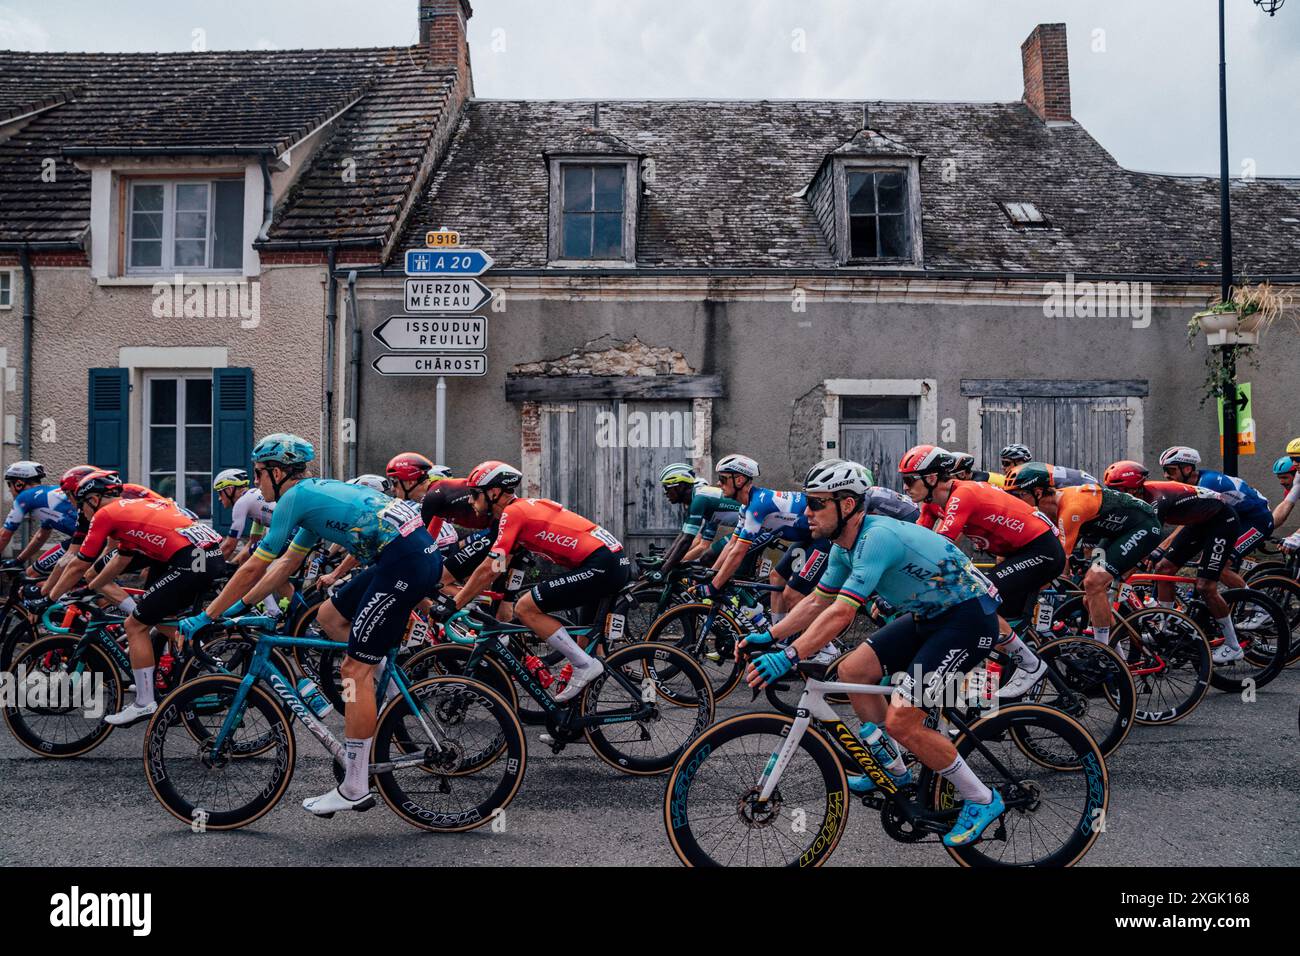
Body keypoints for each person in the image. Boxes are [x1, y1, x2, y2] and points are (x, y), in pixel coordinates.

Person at [740, 459, 1007, 848]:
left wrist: (790, 656)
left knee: (903, 720)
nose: (806, 512)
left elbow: (843, 613)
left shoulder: (876, 536)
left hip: (968, 619)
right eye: (807, 503)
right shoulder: (842, 547)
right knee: (853, 670)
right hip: (929, 615)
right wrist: (770, 636)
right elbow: (818, 601)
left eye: (816, 504)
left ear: (846, 505)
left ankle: (982, 798)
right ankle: (895, 769)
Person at [180, 433, 443, 817]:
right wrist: (239, 606)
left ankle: (354, 786)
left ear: (278, 471)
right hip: (407, 556)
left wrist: (209, 616)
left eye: (258, 473)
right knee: (329, 617)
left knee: (354, 671)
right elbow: (283, 565)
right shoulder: (309, 499)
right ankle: (384, 684)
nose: (255, 483)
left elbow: (254, 564)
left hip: (404, 563)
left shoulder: (294, 498)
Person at [47, 470, 227, 725]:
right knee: (158, 618)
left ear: (94, 500)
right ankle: (201, 660)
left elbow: (78, 564)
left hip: (191, 561)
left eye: (81, 504)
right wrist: (92, 586)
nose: (81, 513)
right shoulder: (132, 508)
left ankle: (145, 702)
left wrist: (51, 598)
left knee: (135, 624)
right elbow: (121, 557)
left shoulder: (104, 514)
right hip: (206, 557)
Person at [449, 460, 631, 702]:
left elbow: (489, 569)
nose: (471, 501)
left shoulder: (513, 513)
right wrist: (486, 594)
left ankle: (584, 666)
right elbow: (500, 566)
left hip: (601, 564)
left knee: (525, 608)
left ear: (493, 492)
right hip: (611, 561)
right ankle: (578, 720)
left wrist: (455, 603)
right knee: (587, 645)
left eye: (474, 494)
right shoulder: (522, 509)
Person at [1003, 463, 1161, 649]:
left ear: (1037, 492)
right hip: (1116, 533)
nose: (1013, 500)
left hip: (1144, 527)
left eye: (1018, 495)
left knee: (1094, 582)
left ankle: (1102, 651)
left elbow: (1058, 560)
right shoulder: (1049, 510)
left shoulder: (1071, 509)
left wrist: (1020, 586)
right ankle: (1117, 656)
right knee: (1090, 598)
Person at [1103, 459, 1243, 664]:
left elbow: (1145, 540)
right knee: (1164, 568)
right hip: (1198, 522)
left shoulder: (1155, 501)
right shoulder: (1136, 498)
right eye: (1112, 491)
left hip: (1222, 522)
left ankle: (1233, 645)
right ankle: (1165, 626)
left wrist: (1118, 569)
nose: (1117, 496)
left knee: (1206, 586)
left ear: (1135, 488)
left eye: (1122, 490)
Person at [1158, 446, 1274, 578]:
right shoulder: (1190, 484)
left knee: (1220, 567)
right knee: (1173, 565)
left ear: (1187, 469)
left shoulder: (1208, 483)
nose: (1166, 475)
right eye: (1165, 470)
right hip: (1228, 519)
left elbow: (1188, 521)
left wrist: (1163, 546)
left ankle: (1249, 598)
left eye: (1170, 470)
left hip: (1256, 521)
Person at [655, 462, 741, 579]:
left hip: (758, 524)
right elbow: (683, 535)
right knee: (709, 560)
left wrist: (664, 570)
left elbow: (689, 541)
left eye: (667, 487)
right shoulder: (695, 499)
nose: (665, 493)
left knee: (709, 558)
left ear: (679, 486)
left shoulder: (699, 499)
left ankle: (730, 594)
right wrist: (664, 561)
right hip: (747, 525)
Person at [0, 461, 78, 568]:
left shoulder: (25, 497)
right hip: (92, 538)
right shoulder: (48, 495)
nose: (9, 490)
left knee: (32, 575)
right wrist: (19, 561)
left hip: (85, 540)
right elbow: (40, 537)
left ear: (19, 484)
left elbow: (4, 536)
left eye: (9, 484)